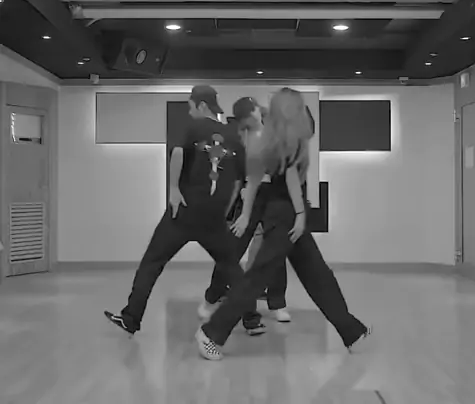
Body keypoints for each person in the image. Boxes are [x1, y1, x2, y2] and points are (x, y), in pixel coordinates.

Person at [195, 87, 371, 360]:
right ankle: (211, 333)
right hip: (285, 215)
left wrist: (255, 213)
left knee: (317, 275)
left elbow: (256, 181)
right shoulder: (286, 142)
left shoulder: (271, 140)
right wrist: (300, 215)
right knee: (258, 278)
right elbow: (288, 179)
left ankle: (351, 331)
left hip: (281, 212)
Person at [104, 85, 265, 336]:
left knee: (152, 262)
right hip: (213, 217)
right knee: (231, 268)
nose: (190, 113)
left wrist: (173, 189)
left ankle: (131, 318)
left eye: (191, 107)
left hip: (183, 213)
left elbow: (178, 153)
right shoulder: (233, 136)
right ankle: (252, 321)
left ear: (202, 105)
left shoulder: (193, 127)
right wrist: (224, 208)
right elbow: (238, 181)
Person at [198, 97, 291, 323]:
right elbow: (236, 167)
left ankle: (278, 303)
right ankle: (212, 298)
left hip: (273, 195)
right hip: (249, 195)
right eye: (247, 118)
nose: (253, 119)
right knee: (232, 249)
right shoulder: (240, 136)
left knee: (276, 251)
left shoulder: (276, 131)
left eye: (254, 113)